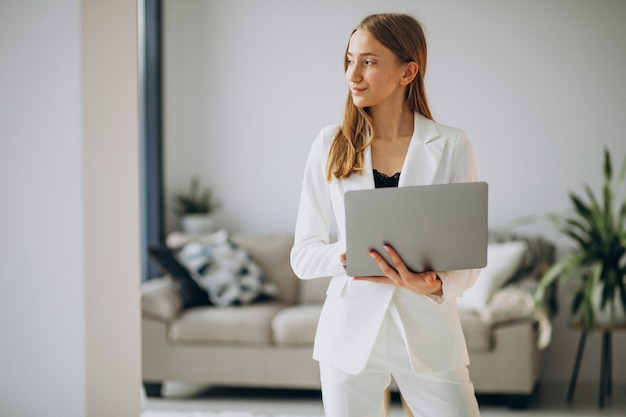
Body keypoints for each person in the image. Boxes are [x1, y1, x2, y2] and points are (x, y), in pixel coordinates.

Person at [290, 13, 482, 417]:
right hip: (348, 337)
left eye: (369, 62)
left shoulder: (450, 144)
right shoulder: (330, 143)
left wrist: (431, 284)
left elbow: (467, 259)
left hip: (431, 334)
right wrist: (351, 253)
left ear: (407, 71)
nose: (352, 74)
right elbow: (303, 255)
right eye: (349, 60)